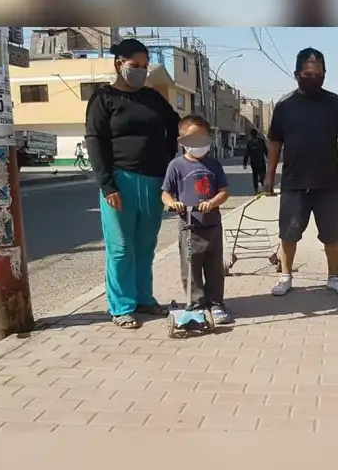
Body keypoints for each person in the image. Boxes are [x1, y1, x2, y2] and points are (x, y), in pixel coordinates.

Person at [84, 38, 180, 329]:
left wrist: (169, 161)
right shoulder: (103, 98)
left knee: (145, 244)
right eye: (134, 66)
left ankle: (143, 299)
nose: (140, 71)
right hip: (120, 181)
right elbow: (95, 142)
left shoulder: (153, 98)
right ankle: (121, 306)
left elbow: (175, 126)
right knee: (121, 247)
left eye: (145, 67)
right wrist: (107, 185)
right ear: (119, 64)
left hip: (153, 181)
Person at [264, 48, 338, 296]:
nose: (314, 78)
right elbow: (275, 143)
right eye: (308, 74)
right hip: (293, 184)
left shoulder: (334, 102)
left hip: (327, 183)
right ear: (297, 74)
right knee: (289, 233)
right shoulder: (285, 105)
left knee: (331, 235)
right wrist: (269, 175)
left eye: (319, 74)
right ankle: (286, 277)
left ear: (324, 74)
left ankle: (334, 277)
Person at [162, 115, 233, 324]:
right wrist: (172, 203)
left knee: (214, 268)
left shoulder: (214, 165)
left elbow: (224, 191)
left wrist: (212, 202)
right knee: (191, 267)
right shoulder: (176, 166)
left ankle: (216, 303)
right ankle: (197, 304)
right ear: (181, 141)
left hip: (212, 225)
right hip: (189, 227)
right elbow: (165, 192)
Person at [242, 128, 268, 193]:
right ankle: (262, 185)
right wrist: (268, 158)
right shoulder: (261, 141)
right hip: (261, 161)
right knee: (263, 174)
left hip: (253, 162)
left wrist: (244, 163)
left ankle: (256, 189)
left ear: (251, 135)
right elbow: (266, 151)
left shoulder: (250, 143)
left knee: (255, 175)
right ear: (257, 134)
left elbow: (246, 154)